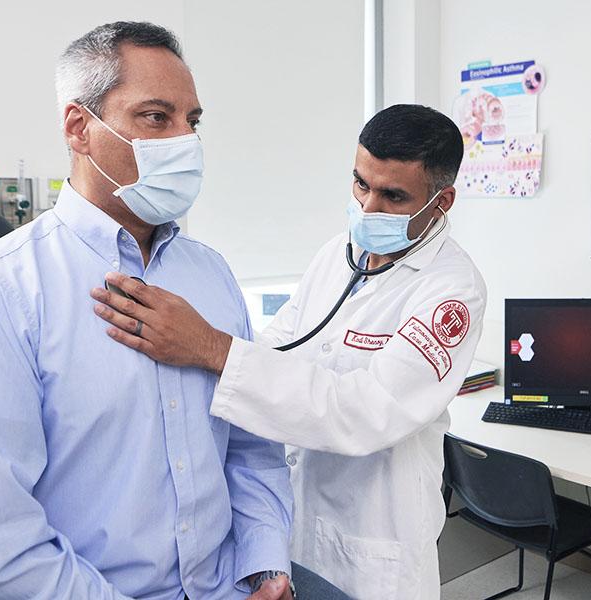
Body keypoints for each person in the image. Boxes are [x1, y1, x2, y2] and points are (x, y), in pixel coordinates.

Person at [0, 21, 295, 600]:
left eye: (192, 122)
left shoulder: (211, 276)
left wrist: (267, 564)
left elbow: (250, 447)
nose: (184, 142)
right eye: (155, 117)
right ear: (79, 128)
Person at [91, 104, 487, 599]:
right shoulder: (337, 254)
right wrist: (192, 345)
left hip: (376, 545)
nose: (367, 208)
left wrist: (211, 348)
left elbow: (363, 412)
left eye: (393, 196)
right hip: (299, 522)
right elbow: (281, 345)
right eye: (361, 184)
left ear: (442, 200)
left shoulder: (452, 291)